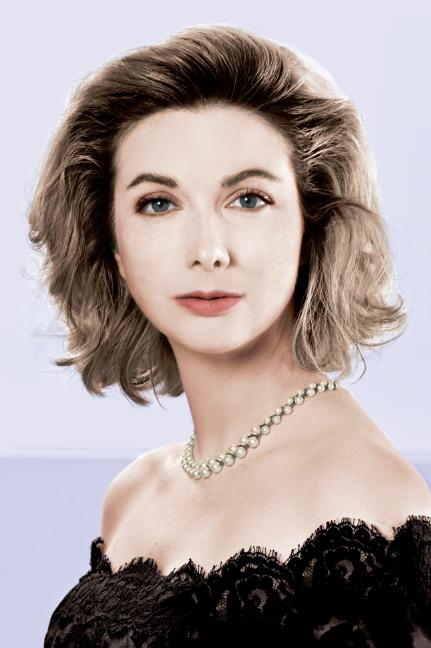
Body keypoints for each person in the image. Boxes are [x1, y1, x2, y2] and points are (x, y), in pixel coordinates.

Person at [29, 23, 431, 647]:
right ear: (114, 249)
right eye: (158, 203)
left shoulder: (364, 494)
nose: (209, 250)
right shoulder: (132, 494)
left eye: (248, 199)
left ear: (311, 227)